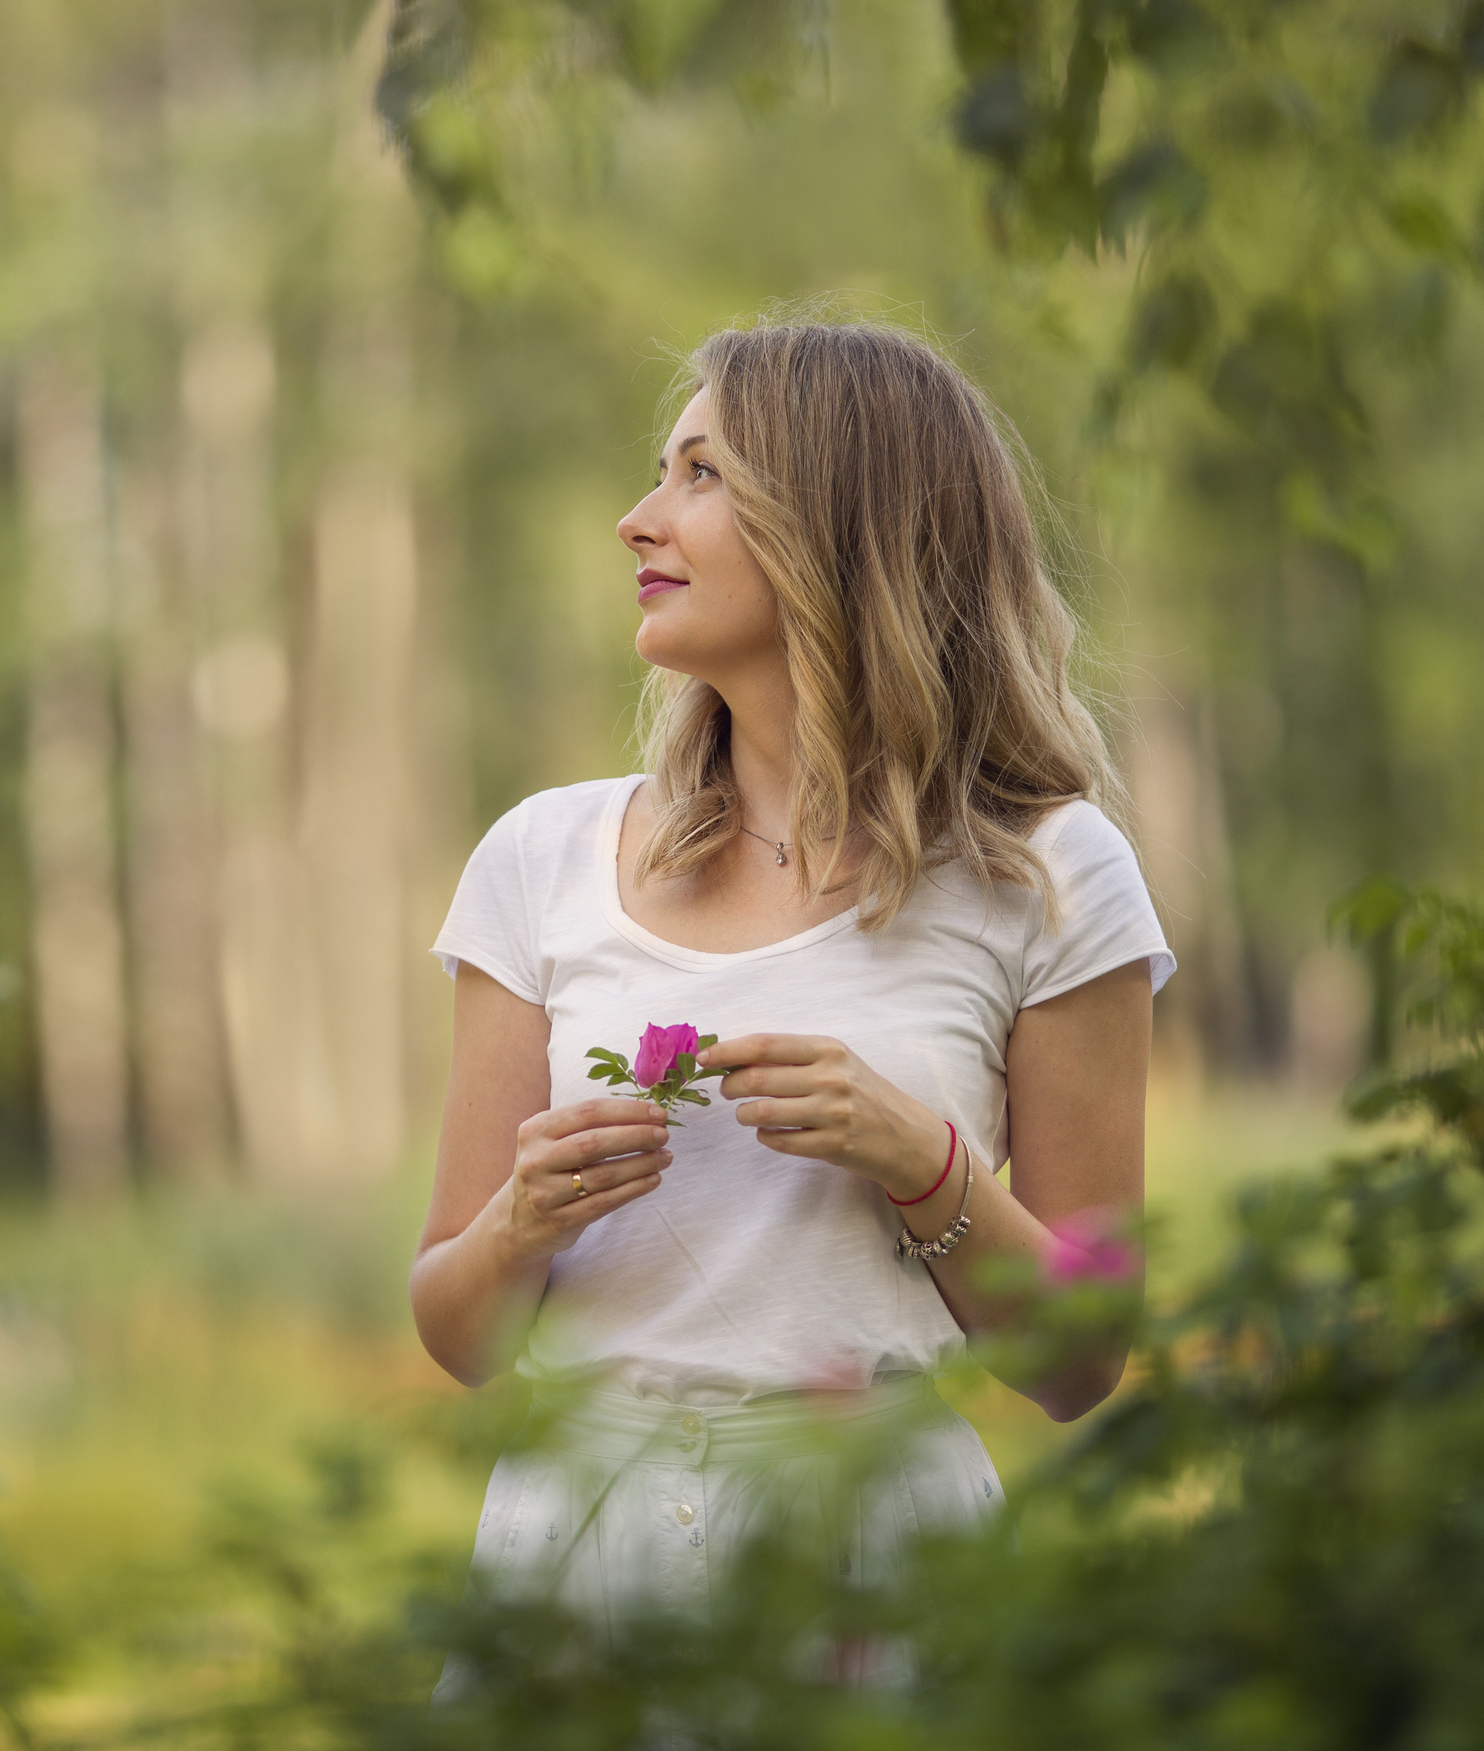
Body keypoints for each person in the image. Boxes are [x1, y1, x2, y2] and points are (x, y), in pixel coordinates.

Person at [412, 317, 1173, 1664]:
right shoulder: (540, 860)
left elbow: (1080, 1364)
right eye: (663, 470)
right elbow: (459, 1335)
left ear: (840, 526)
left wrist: (921, 1161)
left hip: (881, 1563)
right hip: (576, 1562)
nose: (640, 519)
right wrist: (522, 1222)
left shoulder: (1055, 875)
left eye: (701, 475)